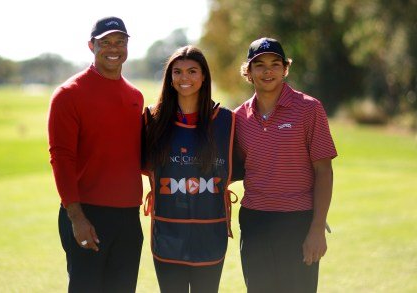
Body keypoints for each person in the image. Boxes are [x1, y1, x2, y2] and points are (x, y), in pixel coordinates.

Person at [48, 16, 144, 293]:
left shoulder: (134, 95)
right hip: (87, 214)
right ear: (91, 46)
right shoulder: (68, 94)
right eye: (105, 42)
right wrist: (76, 217)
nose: (114, 48)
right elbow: (61, 158)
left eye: (120, 41)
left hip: (128, 216)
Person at [234, 37, 338, 292]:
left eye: (275, 64)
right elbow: (231, 169)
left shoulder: (309, 109)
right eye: (259, 65)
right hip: (255, 222)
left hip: (298, 222)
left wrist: (316, 228)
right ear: (248, 72)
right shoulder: (238, 117)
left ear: (285, 69)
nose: (268, 71)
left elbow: (324, 170)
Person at [143, 45, 237, 293]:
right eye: (178, 72)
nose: (184, 78)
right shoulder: (152, 120)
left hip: (210, 233)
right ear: (170, 78)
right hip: (168, 233)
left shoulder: (226, 121)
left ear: (204, 75)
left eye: (192, 71)